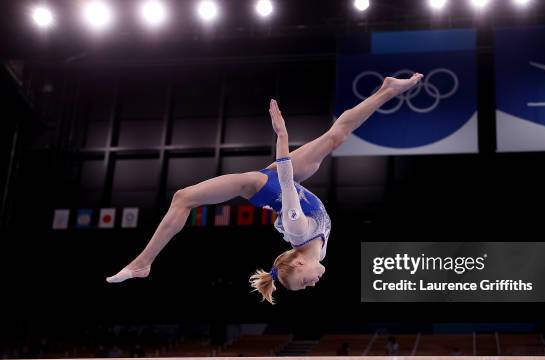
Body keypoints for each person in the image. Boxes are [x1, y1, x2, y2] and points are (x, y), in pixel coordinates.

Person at [106, 73, 424, 304]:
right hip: (282, 184)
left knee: (183, 198)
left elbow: (285, 181)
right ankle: (387, 89)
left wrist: (282, 135)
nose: (311, 285)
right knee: (336, 136)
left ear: (299, 264)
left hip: (264, 184)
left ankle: (143, 263)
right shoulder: (317, 251)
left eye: (303, 283)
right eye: (306, 287)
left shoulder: (300, 231)